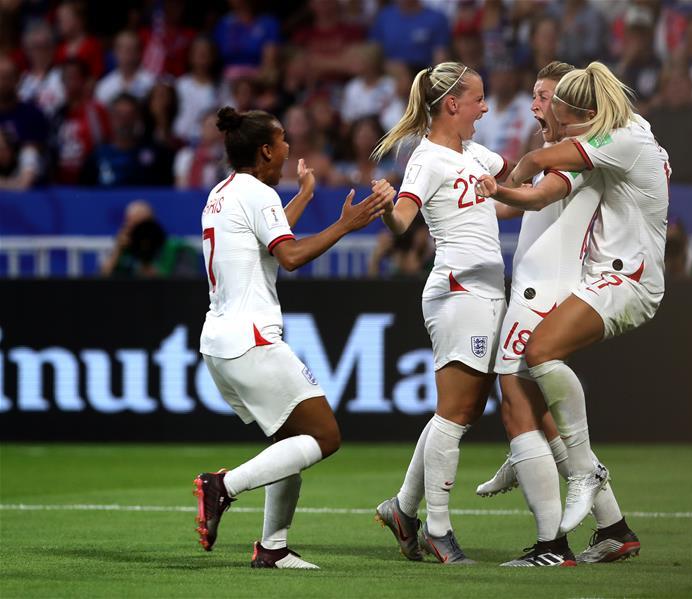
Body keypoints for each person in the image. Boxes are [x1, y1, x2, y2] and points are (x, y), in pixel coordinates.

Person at [193, 106, 394, 569]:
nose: (288, 150)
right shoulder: (258, 193)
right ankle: (222, 487)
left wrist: (303, 196)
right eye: (283, 141)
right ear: (265, 150)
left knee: (290, 440)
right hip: (252, 339)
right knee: (324, 435)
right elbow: (290, 256)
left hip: (220, 343)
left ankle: (273, 548)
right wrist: (347, 224)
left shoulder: (221, 193)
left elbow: (267, 235)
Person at [476, 61, 669, 537]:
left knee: (534, 363)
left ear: (580, 112)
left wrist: (504, 180)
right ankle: (612, 530)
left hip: (625, 277)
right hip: (598, 276)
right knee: (532, 391)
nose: (540, 110)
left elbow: (539, 182)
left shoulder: (612, 144)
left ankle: (573, 486)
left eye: (549, 100)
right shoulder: (619, 135)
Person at [370, 61, 509, 564]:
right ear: (453, 104)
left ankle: (404, 509)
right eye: (478, 99)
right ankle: (438, 528)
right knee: (455, 412)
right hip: (458, 289)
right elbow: (404, 220)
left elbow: (506, 197)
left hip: (487, 289)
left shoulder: (474, 153)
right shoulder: (427, 160)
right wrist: (385, 205)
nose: (485, 107)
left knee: (464, 410)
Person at [94, 31, 157, 107]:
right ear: (115, 52)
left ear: (139, 52)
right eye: (122, 49)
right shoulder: (104, 86)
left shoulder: (151, 83)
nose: (126, 53)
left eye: (131, 49)